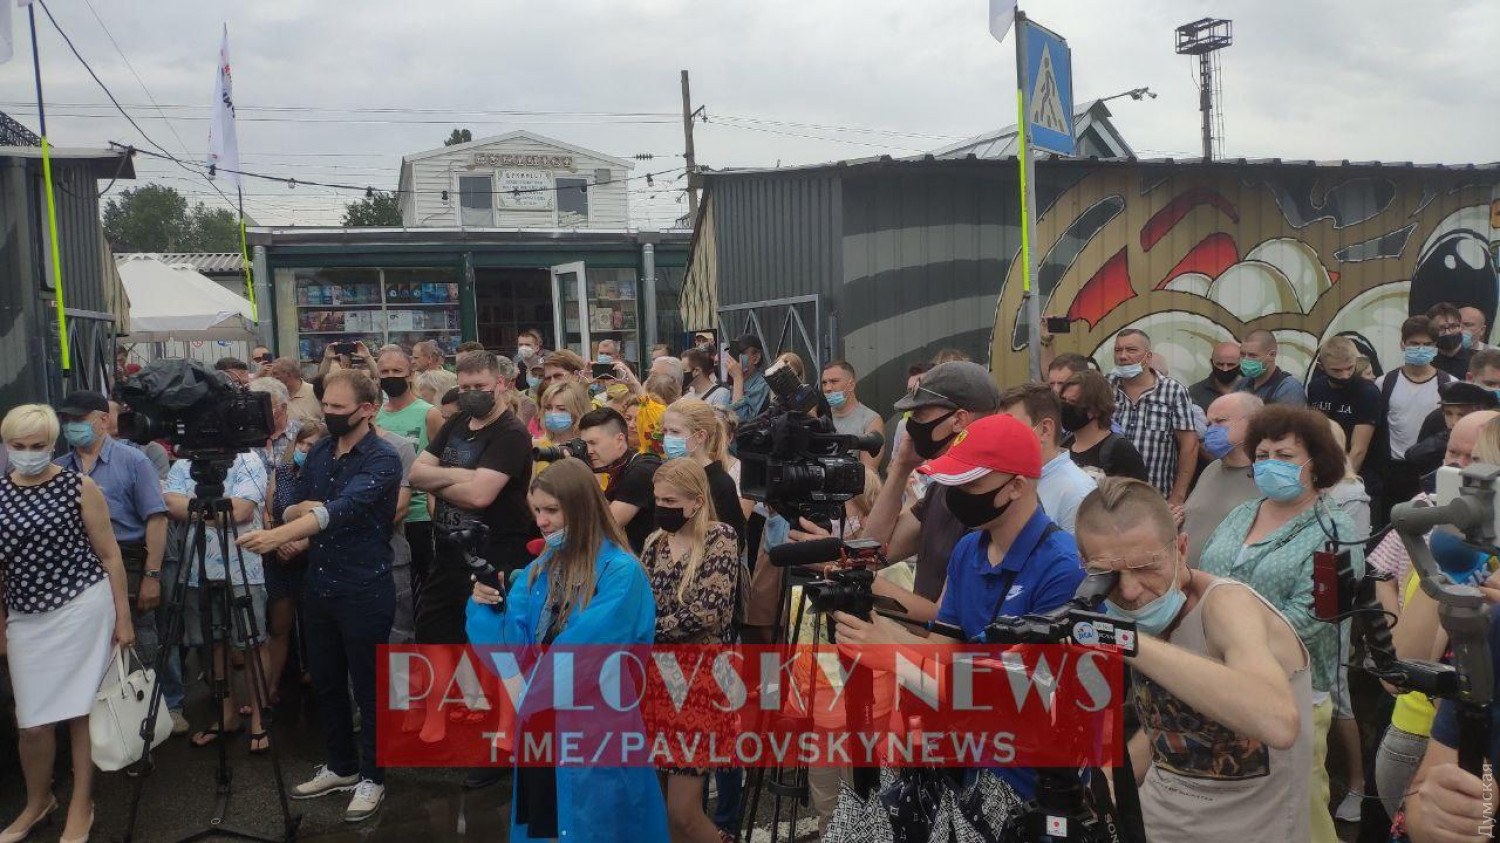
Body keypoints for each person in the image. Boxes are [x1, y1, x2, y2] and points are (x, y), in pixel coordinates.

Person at [832, 413, 1086, 803]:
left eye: (971, 484)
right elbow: (944, 647)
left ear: (1017, 486)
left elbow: (1024, 694)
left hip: (1031, 781)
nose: (956, 494)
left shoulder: (1063, 567)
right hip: (966, 764)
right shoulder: (969, 548)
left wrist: (893, 650)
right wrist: (877, 634)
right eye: (953, 481)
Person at [1074, 477, 1312, 843]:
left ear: (1182, 549)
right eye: (1109, 575)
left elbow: (1278, 723)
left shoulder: (1227, 606)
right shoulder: (1142, 616)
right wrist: (1107, 781)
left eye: (1146, 567)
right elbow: (1172, 728)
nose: (1130, 590)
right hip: (1156, 824)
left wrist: (1128, 642)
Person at [467, 457, 667, 843]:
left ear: (581, 507)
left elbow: (589, 648)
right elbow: (511, 640)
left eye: (551, 510)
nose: (541, 521)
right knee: (546, 827)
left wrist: (524, 692)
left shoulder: (621, 571)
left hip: (595, 725)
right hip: (542, 722)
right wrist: (487, 605)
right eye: (537, 510)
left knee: (599, 827)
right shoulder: (545, 564)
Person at [235, 369, 402, 823]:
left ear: (368, 410)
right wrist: (300, 512)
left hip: (364, 586)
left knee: (368, 687)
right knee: (326, 681)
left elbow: (341, 510)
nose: (328, 413)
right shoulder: (324, 449)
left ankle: (373, 776)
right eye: (325, 405)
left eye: (338, 408)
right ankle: (342, 765)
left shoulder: (383, 458)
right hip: (320, 583)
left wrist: (280, 534)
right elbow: (294, 501)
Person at [1196, 404, 1366, 843]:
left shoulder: (1336, 529)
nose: (1271, 463)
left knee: (1299, 811)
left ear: (1317, 465)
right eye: (1263, 454)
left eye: (1285, 456)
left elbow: (1312, 618)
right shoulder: (1243, 513)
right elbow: (1208, 577)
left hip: (1292, 690)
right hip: (1221, 681)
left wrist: (1231, 645)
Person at [0, 405, 134, 843]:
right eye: (18, 446)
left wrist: (123, 618)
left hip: (82, 607)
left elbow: (110, 555)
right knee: (31, 722)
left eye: (37, 445)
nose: (28, 453)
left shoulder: (79, 486)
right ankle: (38, 801)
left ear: (52, 444)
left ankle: (81, 803)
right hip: (25, 616)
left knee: (80, 714)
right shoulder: (0, 492)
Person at [1366, 409, 1498, 824]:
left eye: (1477, 463)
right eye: (1454, 456)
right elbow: (1398, 672)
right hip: (1426, 738)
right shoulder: (1444, 540)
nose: (1459, 471)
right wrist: (1454, 577)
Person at [409, 351, 534, 782]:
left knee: (496, 645)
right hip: (448, 548)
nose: (472, 394)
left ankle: (504, 737)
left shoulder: (511, 433)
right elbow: (416, 473)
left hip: (495, 551)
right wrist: (465, 476)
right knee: (434, 631)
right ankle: (436, 718)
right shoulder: (457, 423)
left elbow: (482, 496)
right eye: (464, 388)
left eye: (480, 386)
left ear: (501, 384)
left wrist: (445, 477)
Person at [639, 458, 739, 842]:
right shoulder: (654, 543)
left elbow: (707, 612)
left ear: (696, 501)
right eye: (657, 499)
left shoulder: (720, 538)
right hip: (658, 683)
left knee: (683, 813)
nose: (661, 507)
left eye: (670, 500)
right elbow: (640, 604)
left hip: (701, 685)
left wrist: (647, 632)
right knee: (663, 809)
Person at [859, 361, 1003, 603]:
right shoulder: (941, 486)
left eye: (920, 414)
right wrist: (901, 467)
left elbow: (948, 615)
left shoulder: (990, 497)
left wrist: (862, 583)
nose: (911, 425)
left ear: (959, 420)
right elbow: (871, 554)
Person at [54, 390, 168, 684]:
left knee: (136, 650)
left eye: (79, 419)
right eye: (66, 420)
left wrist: (152, 575)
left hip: (128, 563)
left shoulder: (134, 461)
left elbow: (156, 519)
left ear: (104, 420)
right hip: (78, 570)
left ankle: (159, 703)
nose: (71, 426)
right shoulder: (61, 468)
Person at [163, 448, 273, 753]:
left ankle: (260, 720)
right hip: (195, 569)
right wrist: (218, 514)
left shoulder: (248, 459)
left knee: (253, 644)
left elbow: (241, 512)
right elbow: (169, 504)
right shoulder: (185, 462)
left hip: (243, 568)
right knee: (213, 645)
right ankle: (226, 716)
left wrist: (195, 511)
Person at [263, 421, 324, 716]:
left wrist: (299, 544)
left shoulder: (326, 476)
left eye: (313, 445)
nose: (306, 449)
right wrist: (276, 540)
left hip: (315, 558)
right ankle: (270, 688)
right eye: (303, 443)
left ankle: (320, 681)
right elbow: (268, 510)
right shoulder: (282, 473)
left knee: (317, 624)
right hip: (280, 559)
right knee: (279, 625)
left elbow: (329, 518)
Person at [375, 347, 441, 603]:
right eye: (384, 372)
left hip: (418, 514)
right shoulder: (376, 415)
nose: (390, 376)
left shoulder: (429, 413)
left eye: (397, 371)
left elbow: (440, 462)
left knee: (424, 588)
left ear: (411, 374)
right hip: (385, 514)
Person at [1372, 316, 1452, 523]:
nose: (1421, 349)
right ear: (1402, 344)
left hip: (1431, 472)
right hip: (1393, 472)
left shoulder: (1449, 384)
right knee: (1390, 528)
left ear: (1435, 347)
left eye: (1427, 344)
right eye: (1414, 344)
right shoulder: (1384, 383)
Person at [1108, 329, 1200, 504]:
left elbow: (1189, 445)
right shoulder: (1105, 387)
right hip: (1110, 497)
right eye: (1118, 350)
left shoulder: (1173, 391)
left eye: (1131, 350)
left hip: (1156, 499)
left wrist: (1178, 496)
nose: (1123, 356)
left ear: (1148, 356)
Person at [998, 382, 1096, 531]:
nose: (1000, 437)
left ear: (1045, 429)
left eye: (1010, 427)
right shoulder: (1005, 477)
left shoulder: (1078, 493)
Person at [1182, 392, 1264, 566]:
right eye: (1209, 424)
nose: (1211, 430)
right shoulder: (1212, 469)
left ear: (1253, 423)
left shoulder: (1267, 478)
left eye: (1220, 421)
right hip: (1185, 576)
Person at [660, 398, 747, 547]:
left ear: (700, 436)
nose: (668, 438)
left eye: (675, 432)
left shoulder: (720, 483)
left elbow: (734, 541)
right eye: (665, 431)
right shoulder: (669, 476)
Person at [579, 407, 661, 554]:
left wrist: (578, 473)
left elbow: (603, 529)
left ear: (619, 440)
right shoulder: (623, 466)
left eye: (593, 443)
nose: (588, 451)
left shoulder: (641, 472)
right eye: (585, 445)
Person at [1061, 370, 1150, 483]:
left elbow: (1138, 492)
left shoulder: (1120, 451)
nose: (1066, 407)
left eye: (1073, 402)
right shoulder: (1063, 446)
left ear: (1096, 408)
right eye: (1063, 401)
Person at [1307, 336, 1380, 474]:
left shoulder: (1367, 392)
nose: (1345, 375)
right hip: (1325, 466)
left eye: (1349, 368)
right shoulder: (1315, 388)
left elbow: (1358, 450)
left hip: (1360, 472)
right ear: (1321, 367)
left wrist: (1345, 480)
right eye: (1337, 370)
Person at [820, 361, 883, 468]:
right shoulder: (820, 418)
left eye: (834, 382)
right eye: (824, 383)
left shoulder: (870, 420)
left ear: (851, 385)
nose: (827, 388)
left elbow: (867, 471)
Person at [1236, 330, 1306, 406]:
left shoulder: (1288, 388)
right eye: (1242, 354)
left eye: (1253, 356)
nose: (1246, 360)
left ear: (1272, 355)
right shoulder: (1242, 384)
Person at [106, 399, 169, 480]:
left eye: (116, 436)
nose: (110, 441)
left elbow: (159, 485)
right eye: (103, 435)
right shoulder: (92, 452)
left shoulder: (152, 451)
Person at [249, 376, 300, 466]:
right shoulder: (245, 437)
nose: (258, 413)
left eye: (264, 408)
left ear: (283, 408)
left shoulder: (301, 434)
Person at [725, 333, 770, 424]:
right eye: (733, 353)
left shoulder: (763, 385)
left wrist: (737, 378)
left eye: (741, 353)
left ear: (756, 358)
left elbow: (739, 420)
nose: (735, 357)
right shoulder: (731, 385)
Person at [1189, 341, 1244, 411]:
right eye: (1220, 364)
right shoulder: (1195, 393)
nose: (1225, 369)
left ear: (1240, 364)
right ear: (1212, 363)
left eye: (1231, 365)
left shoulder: (1252, 388)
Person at [1427, 301, 1472, 379]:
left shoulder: (1475, 361)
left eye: (1453, 326)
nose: (1447, 333)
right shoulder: (1427, 364)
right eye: (1441, 328)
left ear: (1461, 327)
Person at [269, 358, 322, 424]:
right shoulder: (273, 396)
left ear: (288, 374)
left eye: (275, 373)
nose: (271, 378)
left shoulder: (315, 391)